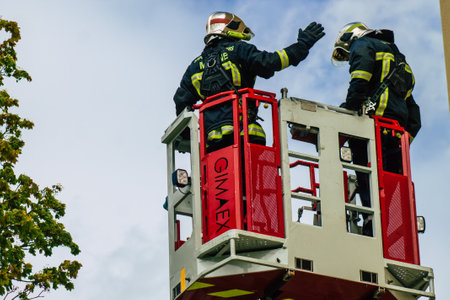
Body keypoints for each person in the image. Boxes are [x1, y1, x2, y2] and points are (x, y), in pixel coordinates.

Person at [174, 11, 325, 152]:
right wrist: (302, 45)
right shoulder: (238, 49)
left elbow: (181, 102)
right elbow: (270, 62)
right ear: (228, 28)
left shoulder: (194, 67)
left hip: (212, 142)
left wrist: (187, 137)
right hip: (244, 133)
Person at [331, 22, 421, 236]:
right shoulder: (400, 60)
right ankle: (392, 225)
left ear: (350, 37)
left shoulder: (362, 45)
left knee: (366, 175)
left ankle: (371, 221)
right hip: (395, 132)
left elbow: (360, 79)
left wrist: (349, 110)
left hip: (371, 124)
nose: (346, 57)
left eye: (344, 53)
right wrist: (404, 140)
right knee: (392, 180)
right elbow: (414, 113)